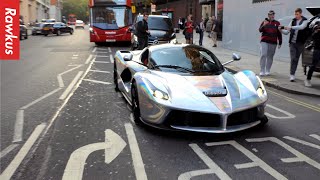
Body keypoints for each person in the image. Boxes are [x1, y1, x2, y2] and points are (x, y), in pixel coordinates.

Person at [280, 8, 308, 82]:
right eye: (295, 14)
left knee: (296, 59)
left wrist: (290, 27)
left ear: (301, 14)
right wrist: (281, 30)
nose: (296, 16)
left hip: (300, 44)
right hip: (292, 43)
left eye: (297, 14)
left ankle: (294, 73)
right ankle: (292, 75)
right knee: (293, 58)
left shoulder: (305, 20)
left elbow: (301, 27)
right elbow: (286, 32)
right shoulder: (293, 21)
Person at [259, 10, 282, 76]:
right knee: (263, 55)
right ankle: (262, 70)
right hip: (264, 41)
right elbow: (260, 30)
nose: (272, 16)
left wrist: (280, 42)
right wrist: (264, 25)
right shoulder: (264, 22)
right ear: (268, 15)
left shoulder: (277, 23)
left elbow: (279, 33)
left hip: (273, 42)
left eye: (273, 14)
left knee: (270, 56)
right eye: (271, 14)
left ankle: (267, 70)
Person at [305, 21, 320, 87]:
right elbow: (313, 36)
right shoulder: (317, 25)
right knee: (314, 65)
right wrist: (317, 31)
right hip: (317, 49)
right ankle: (308, 79)